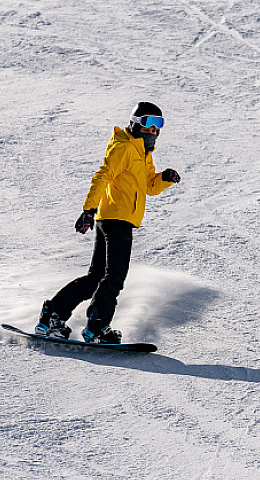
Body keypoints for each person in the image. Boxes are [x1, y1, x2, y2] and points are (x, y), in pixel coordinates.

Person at [35, 102, 181, 343]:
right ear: (135, 122)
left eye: (159, 125)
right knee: (114, 277)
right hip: (117, 219)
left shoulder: (144, 154)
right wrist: (88, 210)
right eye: (149, 123)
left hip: (115, 219)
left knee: (96, 278)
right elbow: (102, 176)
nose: (154, 130)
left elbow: (148, 187)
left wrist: (164, 178)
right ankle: (98, 326)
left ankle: (53, 314)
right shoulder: (124, 148)